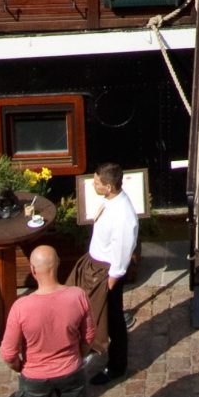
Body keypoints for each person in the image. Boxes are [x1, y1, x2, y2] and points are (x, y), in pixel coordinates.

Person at [0, 245, 102, 397]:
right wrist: (76, 354)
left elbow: (8, 353)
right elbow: (89, 337)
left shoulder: (21, 307)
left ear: (33, 270)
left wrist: (21, 367)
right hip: (70, 372)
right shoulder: (77, 296)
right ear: (57, 265)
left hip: (34, 377)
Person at [84, 162, 139, 382]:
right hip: (96, 267)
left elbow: (123, 249)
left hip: (107, 274)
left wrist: (112, 280)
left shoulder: (124, 216)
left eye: (97, 182)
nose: (93, 185)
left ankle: (116, 365)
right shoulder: (110, 201)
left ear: (108, 187)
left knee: (113, 318)